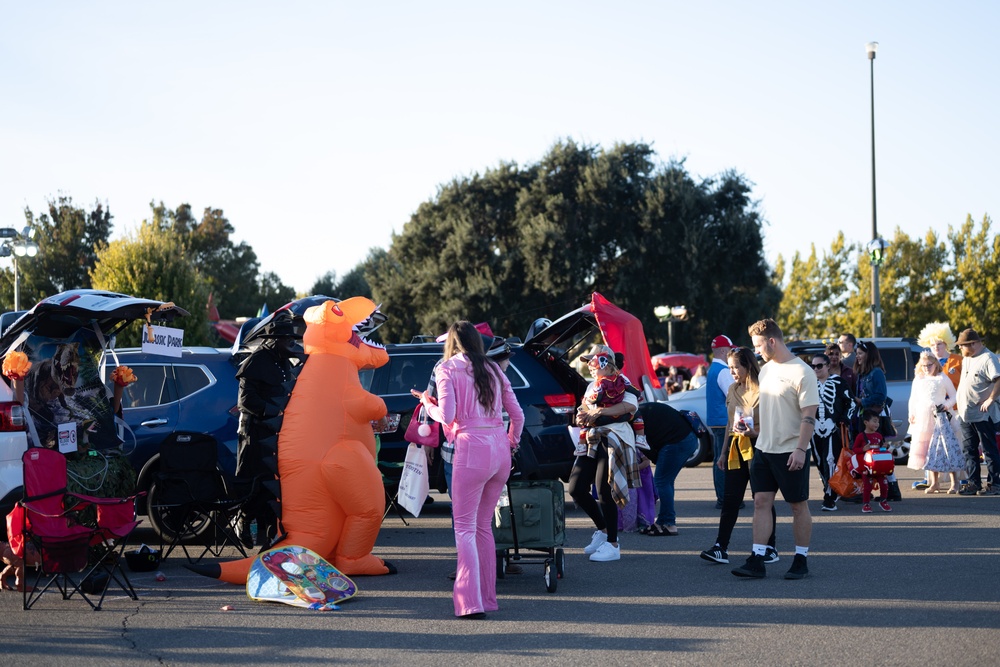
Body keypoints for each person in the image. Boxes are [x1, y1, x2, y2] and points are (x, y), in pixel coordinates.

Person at [415, 321, 524, 618]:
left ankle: (470, 603)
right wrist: (511, 443)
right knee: (482, 526)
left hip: (470, 448)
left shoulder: (446, 368)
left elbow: (447, 414)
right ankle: (487, 598)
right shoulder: (494, 369)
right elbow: (518, 416)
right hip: (499, 449)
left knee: (464, 528)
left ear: (451, 342)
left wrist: (427, 403)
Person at [732, 319, 818, 581]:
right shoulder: (766, 370)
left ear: (772, 341)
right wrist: (750, 429)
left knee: (797, 506)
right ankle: (757, 559)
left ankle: (801, 560)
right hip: (763, 449)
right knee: (761, 502)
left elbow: (809, 417)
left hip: (791, 450)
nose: (756, 351)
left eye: (758, 345)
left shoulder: (803, 372)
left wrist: (801, 450)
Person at [700, 347, 778, 565]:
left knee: (762, 500)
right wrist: (723, 452)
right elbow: (729, 423)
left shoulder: (764, 389)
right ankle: (720, 547)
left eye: (736, 367)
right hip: (736, 447)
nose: (732, 372)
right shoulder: (732, 389)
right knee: (730, 499)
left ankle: (770, 547)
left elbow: (774, 424)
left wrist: (755, 433)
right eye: (730, 367)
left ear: (748, 366)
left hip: (759, 447)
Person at [234, 311, 301, 548]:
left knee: (273, 487)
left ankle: (269, 537)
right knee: (253, 482)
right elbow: (246, 400)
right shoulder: (257, 362)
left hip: (276, 435)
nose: (291, 343)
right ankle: (243, 520)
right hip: (255, 433)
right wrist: (273, 412)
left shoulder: (284, 362)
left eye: (291, 339)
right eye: (286, 339)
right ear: (275, 340)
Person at [569, 344, 639, 563]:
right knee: (576, 488)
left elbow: (630, 406)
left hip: (613, 438)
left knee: (603, 489)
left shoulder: (622, 381)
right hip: (591, 438)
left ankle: (613, 544)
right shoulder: (592, 385)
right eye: (588, 362)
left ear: (607, 363)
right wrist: (582, 415)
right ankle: (603, 530)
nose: (590, 366)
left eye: (593, 361)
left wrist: (600, 411)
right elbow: (583, 409)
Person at [634, 401, 697, 537]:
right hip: (686, 438)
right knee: (666, 481)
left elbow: (644, 446)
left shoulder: (632, 420)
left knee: (662, 481)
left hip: (679, 441)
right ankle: (662, 522)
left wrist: (657, 460)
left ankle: (669, 524)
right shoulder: (637, 411)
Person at [852, 340, 901, 501]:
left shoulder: (876, 372)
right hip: (865, 416)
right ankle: (880, 490)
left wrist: (862, 401)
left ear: (869, 354)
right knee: (871, 455)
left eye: (860, 353)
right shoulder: (863, 373)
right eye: (857, 353)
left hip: (875, 417)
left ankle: (892, 490)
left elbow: (880, 396)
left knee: (879, 454)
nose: (857, 356)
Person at [908, 352, 963, 494]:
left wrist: (946, 405)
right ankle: (934, 482)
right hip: (923, 418)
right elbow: (913, 398)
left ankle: (955, 482)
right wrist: (911, 413)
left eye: (929, 365)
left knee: (946, 448)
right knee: (929, 450)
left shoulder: (942, 377)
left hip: (941, 416)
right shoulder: (918, 379)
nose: (926, 368)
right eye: (923, 365)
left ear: (935, 364)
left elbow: (954, 396)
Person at [954, 328, 1000, 496]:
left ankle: (995, 484)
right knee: (969, 450)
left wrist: (990, 399)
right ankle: (974, 483)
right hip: (966, 413)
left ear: (973, 343)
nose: (960, 348)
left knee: (989, 450)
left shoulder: (988, 358)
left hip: (983, 414)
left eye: (962, 345)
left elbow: (998, 379)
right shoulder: (967, 358)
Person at [809, 353, 853, 512]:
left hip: (833, 429)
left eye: (819, 366)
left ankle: (830, 497)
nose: (816, 369)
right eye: (813, 366)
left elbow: (851, 403)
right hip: (813, 429)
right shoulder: (809, 383)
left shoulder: (839, 382)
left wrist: (843, 419)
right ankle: (829, 488)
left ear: (828, 366)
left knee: (831, 461)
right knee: (820, 462)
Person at [707, 335, 736, 509]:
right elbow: (733, 396)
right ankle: (725, 498)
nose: (732, 354)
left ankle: (723, 497)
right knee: (723, 460)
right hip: (724, 421)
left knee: (719, 459)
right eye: (731, 350)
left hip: (716, 420)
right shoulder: (724, 371)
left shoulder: (714, 368)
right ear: (724, 351)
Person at [852, 410, 892, 513]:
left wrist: (885, 447)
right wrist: (863, 449)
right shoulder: (861, 436)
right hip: (866, 466)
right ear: (866, 422)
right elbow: (854, 449)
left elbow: (881, 450)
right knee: (867, 485)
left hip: (879, 466)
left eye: (878, 422)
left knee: (884, 483)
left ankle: (883, 501)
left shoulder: (879, 436)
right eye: (874, 421)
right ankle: (866, 504)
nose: (877, 424)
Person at [918, 322, 963, 391]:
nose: (936, 347)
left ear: (946, 344)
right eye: (932, 345)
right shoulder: (924, 362)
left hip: (955, 397)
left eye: (939, 344)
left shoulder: (959, 360)